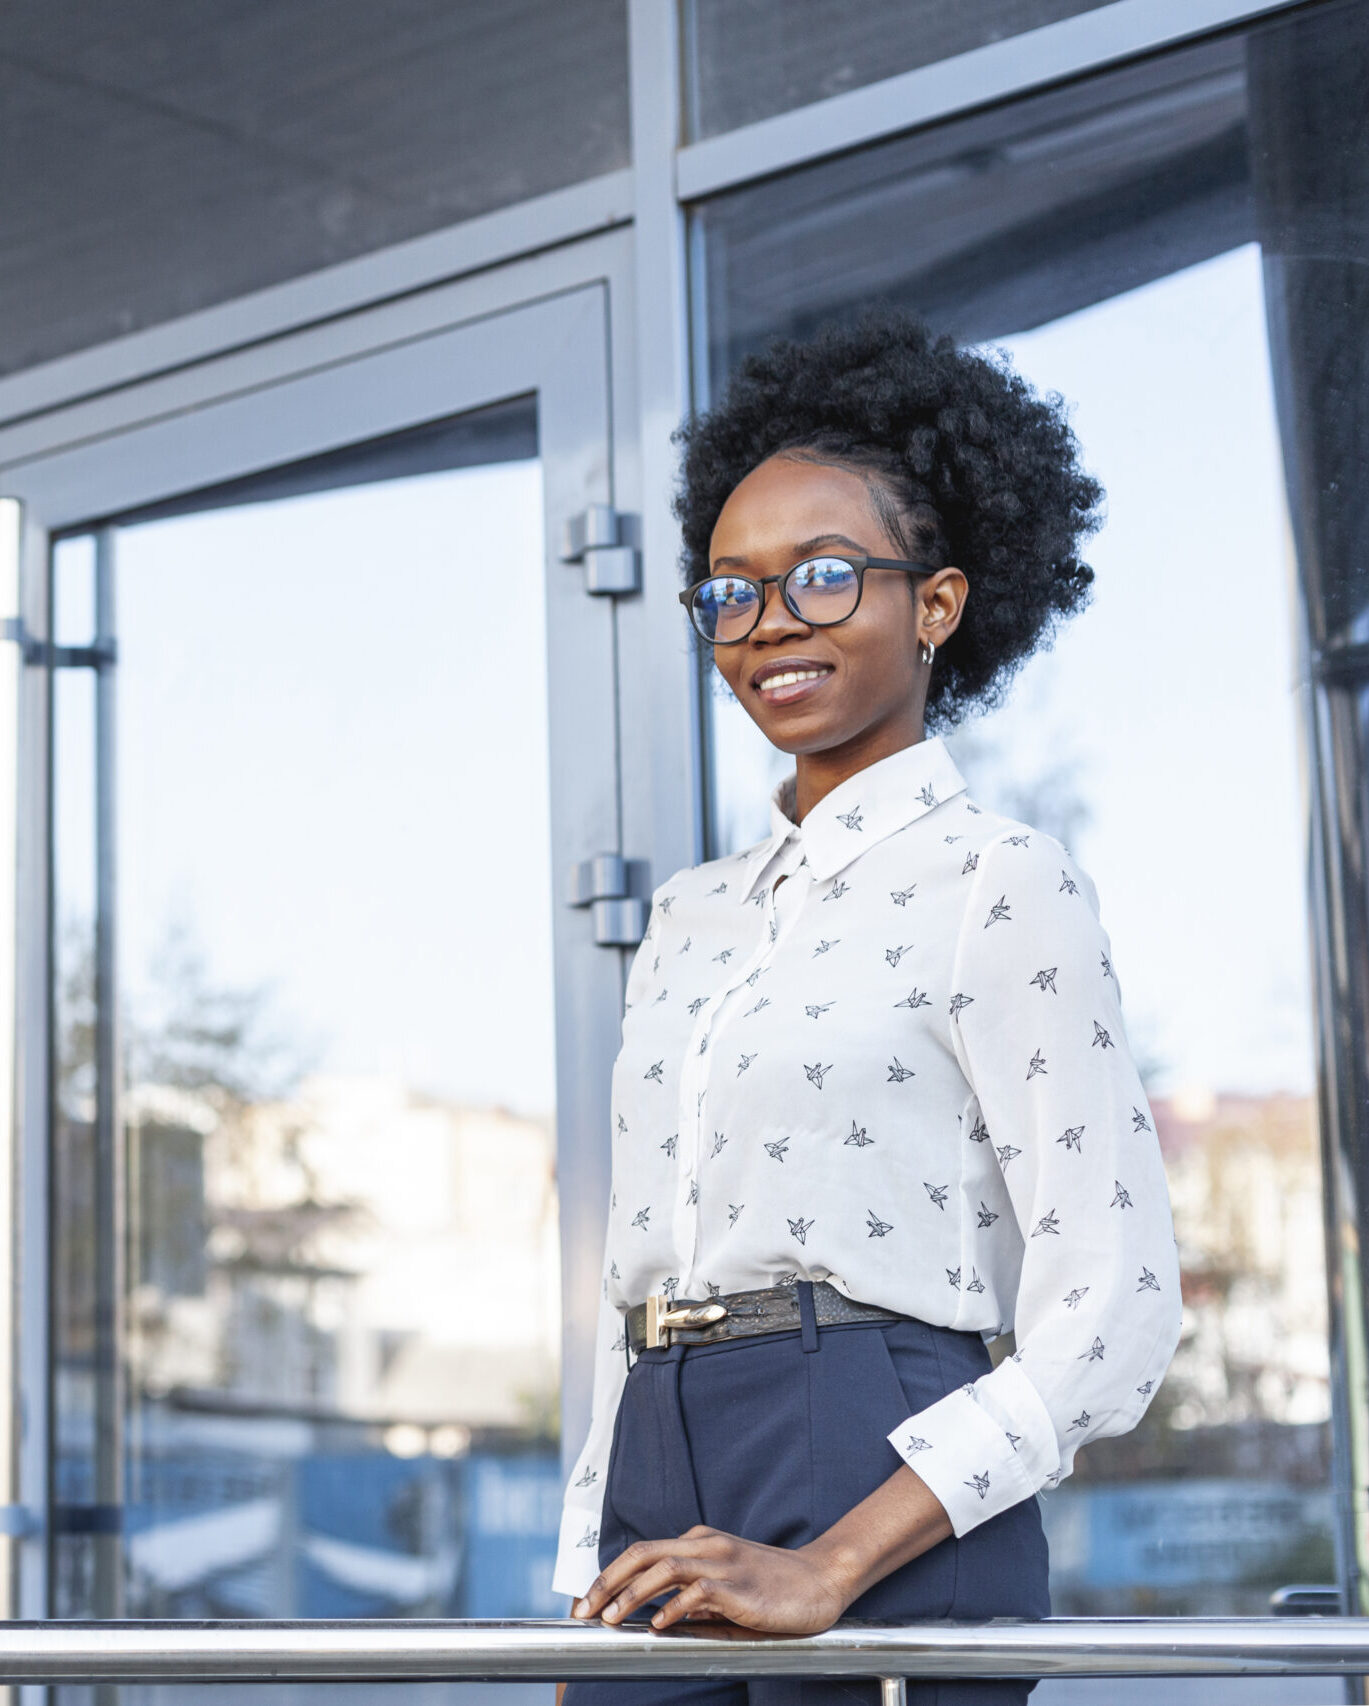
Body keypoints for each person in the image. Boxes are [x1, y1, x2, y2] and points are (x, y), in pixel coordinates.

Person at [553, 313, 1182, 1706]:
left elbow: (1118, 1305)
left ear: (938, 604)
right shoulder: (687, 916)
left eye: (824, 577)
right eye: (730, 590)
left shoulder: (997, 878)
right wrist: (586, 1575)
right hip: (659, 1452)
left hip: (879, 1450)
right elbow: (635, 1274)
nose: (769, 621)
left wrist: (836, 1559)